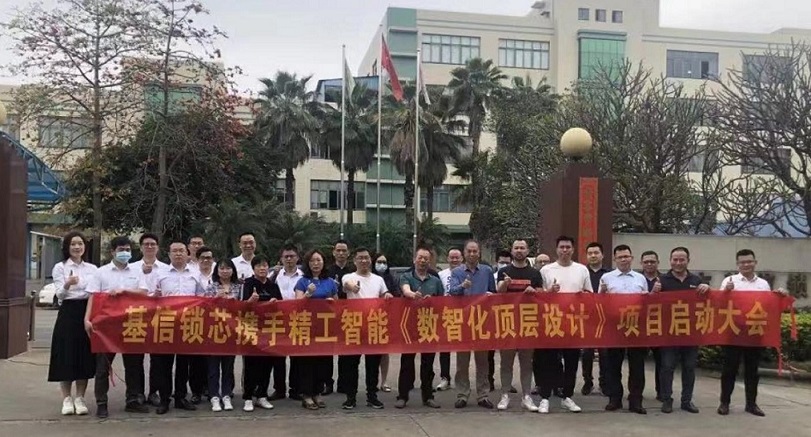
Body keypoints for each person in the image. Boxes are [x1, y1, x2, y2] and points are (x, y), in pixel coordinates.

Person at [717, 249, 788, 417]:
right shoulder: (729, 281)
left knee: (752, 371)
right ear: (737, 264)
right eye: (742, 262)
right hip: (733, 331)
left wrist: (780, 296)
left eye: (749, 261)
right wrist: (726, 292)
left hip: (755, 332)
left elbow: (768, 306)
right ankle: (724, 403)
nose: (746, 264)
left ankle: (751, 404)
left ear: (755, 263)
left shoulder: (763, 284)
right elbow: (718, 304)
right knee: (729, 370)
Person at [84, 236, 148, 418]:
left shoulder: (137, 271)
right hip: (106, 326)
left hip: (131, 324)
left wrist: (125, 291)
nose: (125, 253)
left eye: (127, 250)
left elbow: (144, 293)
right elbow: (93, 297)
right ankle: (101, 403)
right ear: (112, 252)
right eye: (121, 250)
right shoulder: (101, 272)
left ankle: (133, 400)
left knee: (134, 365)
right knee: (103, 367)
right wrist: (87, 319)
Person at [151, 241, 206, 415]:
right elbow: (149, 297)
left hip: (187, 324)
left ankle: (181, 397)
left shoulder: (196, 274)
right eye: (174, 251)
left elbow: (202, 297)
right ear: (169, 254)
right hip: (166, 323)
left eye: (181, 251)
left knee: (184, 364)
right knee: (164, 365)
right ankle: (164, 399)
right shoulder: (159, 273)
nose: (178, 254)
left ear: (188, 253)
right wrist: (155, 296)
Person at [537, 236, 590, 414]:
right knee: (549, 361)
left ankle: (567, 396)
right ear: (556, 249)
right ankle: (545, 397)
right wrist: (549, 292)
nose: (565, 250)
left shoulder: (581, 269)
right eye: (562, 247)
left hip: (573, 323)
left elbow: (589, 293)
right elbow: (539, 297)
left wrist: (584, 295)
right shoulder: (546, 270)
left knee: (571, 362)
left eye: (568, 247)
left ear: (573, 249)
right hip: (552, 321)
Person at [48, 231, 98, 416]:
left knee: (84, 354)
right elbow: (60, 295)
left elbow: (95, 292)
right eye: (73, 244)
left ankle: (80, 397)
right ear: (67, 247)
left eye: (80, 243)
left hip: (87, 310)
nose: (77, 247)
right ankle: (67, 398)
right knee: (66, 353)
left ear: (85, 246)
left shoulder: (92, 268)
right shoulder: (60, 267)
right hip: (68, 312)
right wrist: (67, 284)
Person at [657, 247, 709, 414]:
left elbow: (707, 302)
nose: (678, 263)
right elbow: (651, 304)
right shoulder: (662, 280)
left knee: (689, 367)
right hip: (669, 332)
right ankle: (667, 399)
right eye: (675, 259)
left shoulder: (696, 280)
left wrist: (706, 288)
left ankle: (686, 401)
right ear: (670, 261)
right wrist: (654, 292)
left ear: (688, 261)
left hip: (690, 332)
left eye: (682, 259)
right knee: (667, 367)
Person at [340, 247, 392, 409]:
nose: (364, 261)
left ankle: (372, 396)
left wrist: (387, 296)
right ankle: (351, 397)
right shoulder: (348, 276)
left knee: (372, 365)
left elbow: (384, 295)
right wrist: (352, 287)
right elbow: (346, 285)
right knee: (351, 365)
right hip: (354, 326)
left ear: (370, 260)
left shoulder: (378, 279)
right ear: (354, 261)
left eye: (366, 258)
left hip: (373, 325)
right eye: (360, 258)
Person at [600, 244, 649, 415]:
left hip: (636, 327)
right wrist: (602, 294)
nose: (623, 259)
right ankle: (615, 399)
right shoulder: (606, 278)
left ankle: (636, 401)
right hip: (615, 327)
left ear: (631, 258)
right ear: (615, 259)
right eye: (620, 257)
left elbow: (647, 303)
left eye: (626, 256)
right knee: (613, 365)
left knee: (637, 366)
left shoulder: (640, 278)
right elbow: (599, 303)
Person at [394, 246, 444, 410]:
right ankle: (403, 396)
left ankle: (428, 396)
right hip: (409, 326)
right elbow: (405, 290)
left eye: (426, 258)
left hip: (429, 326)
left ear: (430, 261)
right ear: (414, 259)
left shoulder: (435, 281)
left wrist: (432, 301)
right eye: (420, 257)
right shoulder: (406, 276)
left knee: (428, 364)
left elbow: (442, 303)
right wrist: (412, 294)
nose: (423, 261)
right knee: (407, 362)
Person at [495, 239, 541, 412]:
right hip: (508, 323)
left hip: (528, 323)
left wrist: (534, 291)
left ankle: (526, 396)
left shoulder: (534, 273)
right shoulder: (504, 271)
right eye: (516, 248)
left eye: (522, 248)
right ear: (512, 251)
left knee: (526, 363)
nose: (519, 250)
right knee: (506, 362)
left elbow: (541, 295)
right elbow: (498, 292)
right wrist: (505, 284)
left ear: (527, 251)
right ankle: (505, 395)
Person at [448, 240, 495, 409]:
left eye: (475, 251)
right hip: (463, 321)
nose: (472, 254)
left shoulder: (487, 271)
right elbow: (452, 292)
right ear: (464, 253)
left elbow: (493, 292)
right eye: (469, 251)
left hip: (482, 321)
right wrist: (462, 286)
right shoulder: (457, 272)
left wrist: (490, 295)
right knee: (462, 362)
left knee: (483, 362)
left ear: (479, 253)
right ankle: (462, 394)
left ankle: (483, 395)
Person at [294, 249, 338, 410]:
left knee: (322, 363)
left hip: (324, 328)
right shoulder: (302, 282)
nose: (316, 263)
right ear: (308, 263)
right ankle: (306, 394)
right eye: (312, 260)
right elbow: (297, 305)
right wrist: (308, 294)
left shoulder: (330, 282)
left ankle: (318, 392)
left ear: (323, 262)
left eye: (318, 260)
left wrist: (331, 302)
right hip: (307, 327)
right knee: (307, 362)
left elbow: (338, 305)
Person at [132, 233, 169, 408]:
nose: (149, 247)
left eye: (153, 244)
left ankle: (154, 392)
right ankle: (138, 392)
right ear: (140, 247)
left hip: (158, 317)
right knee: (136, 358)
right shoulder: (131, 268)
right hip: (137, 316)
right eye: (146, 244)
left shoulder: (165, 269)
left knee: (158, 358)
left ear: (158, 247)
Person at [241, 255, 281, 412]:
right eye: (258, 266)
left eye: (264, 265)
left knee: (267, 365)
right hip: (251, 330)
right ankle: (248, 397)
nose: (262, 268)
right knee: (251, 366)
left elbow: (281, 305)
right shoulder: (248, 284)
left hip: (269, 330)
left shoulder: (273, 285)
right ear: (253, 269)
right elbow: (241, 307)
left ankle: (262, 395)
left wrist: (274, 304)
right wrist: (251, 301)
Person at [202, 257, 241, 413]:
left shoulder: (239, 287)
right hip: (214, 332)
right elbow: (204, 307)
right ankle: (214, 396)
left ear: (233, 270)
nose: (225, 271)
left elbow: (244, 307)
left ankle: (226, 395)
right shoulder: (211, 287)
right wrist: (216, 298)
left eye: (228, 268)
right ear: (217, 271)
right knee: (213, 368)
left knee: (228, 367)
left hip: (231, 332)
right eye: (222, 268)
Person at [270, 244, 303, 401]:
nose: (289, 259)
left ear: (297, 258)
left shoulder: (303, 276)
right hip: (278, 320)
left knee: (297, 357)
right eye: (286, 256)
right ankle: (279, 389)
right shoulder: (274, 275)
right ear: (281, 259)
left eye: (292, 256)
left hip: (297, 320)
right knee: (278, 357)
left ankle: (295, 389)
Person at [581, 242, 610, 397]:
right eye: (590, 253)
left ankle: (604, 383)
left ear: (602, 255)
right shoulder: (581, 272)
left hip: (605, 319)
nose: (593, 256)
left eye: (596, 253)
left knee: (605, 354)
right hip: (586, 318)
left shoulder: (610, 274)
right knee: (587, 353)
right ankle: (588, 382)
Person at [327, 239, 354, 395]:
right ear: (334, 252)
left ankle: (344, 383)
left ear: (348, 253)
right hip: (330, 315)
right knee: (328, 350)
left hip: (350, 315)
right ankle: (327, 383)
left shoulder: (353, 271)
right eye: (338, 250)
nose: (341, 253)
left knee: (347, 350)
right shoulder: (327, 271)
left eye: (344, 250)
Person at [436, 247, 463, 392]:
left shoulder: (466, 273)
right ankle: (445, 378)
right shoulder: (441, 274)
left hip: (464, 313)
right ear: (447, 259)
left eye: (457, 257)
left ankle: (462, 378)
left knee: (463, 349)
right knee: (444, 348)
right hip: (445, 314)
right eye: (452, 257)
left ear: (461, 259)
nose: (454, 260)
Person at [373, 253, 399, 393]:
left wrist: (390, 296)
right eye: (379, 262)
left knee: (384, 352)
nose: (382, 264)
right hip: (369, 318)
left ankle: (384, 381)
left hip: (384, 319)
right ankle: (372, 382)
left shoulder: (390, 278)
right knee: (371, 353)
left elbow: (397, 295)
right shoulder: (369, 277)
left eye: (384, 262)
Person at [640, 250, 663, 401]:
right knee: (638, 363)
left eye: (652, 262)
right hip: (640, 327)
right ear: (641, 263)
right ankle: (637, 393)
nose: (649, 264)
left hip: (659, 327)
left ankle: (661, 392)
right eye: (646, 262)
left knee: (661, 362)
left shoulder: (665, 280)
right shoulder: (636, 278)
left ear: (658, 263)